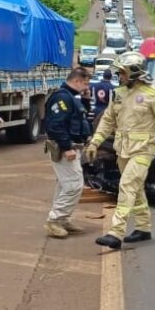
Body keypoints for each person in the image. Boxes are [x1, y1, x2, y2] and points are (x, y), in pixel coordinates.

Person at [84, 51, 155, 250]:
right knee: (136, 188)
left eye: (122, 72)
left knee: (126, 185)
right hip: (123, 150)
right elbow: (108, 120)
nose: (119, 76)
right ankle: (143, 228)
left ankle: (115, 233)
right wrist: (95, 142)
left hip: (144, 150)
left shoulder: (154, 95)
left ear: (134, 72)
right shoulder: (119, 93)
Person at [43, 67, 93, 239]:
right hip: (65, 148)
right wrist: (66, 147)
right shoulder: (62, 97)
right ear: (77, 80)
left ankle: (62, 219)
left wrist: (86, 100)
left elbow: (79, 117)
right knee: (74, 185)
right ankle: (55, 220)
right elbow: (55, 125)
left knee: (65, 185)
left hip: (72, 147)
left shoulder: (72, 97)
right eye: (85, 84)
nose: (86, 87)